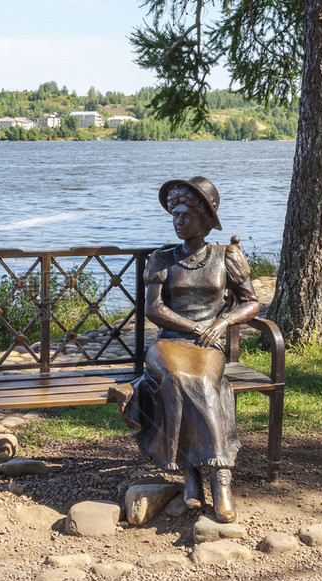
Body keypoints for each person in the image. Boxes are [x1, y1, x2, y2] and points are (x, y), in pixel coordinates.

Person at [111, 176, 260, 523]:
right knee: (177, 378)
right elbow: (154, 309)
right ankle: (191, 477)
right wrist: (194, 327)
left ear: (206, 220)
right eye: (174, 215)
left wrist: (221, 324)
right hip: (169, 342)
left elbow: (251, 303)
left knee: (205, 384)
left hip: (209, 345)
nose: (178, 222)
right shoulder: (163, 259)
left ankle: (218, 481)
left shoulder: (227, 256)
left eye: (186, 216)